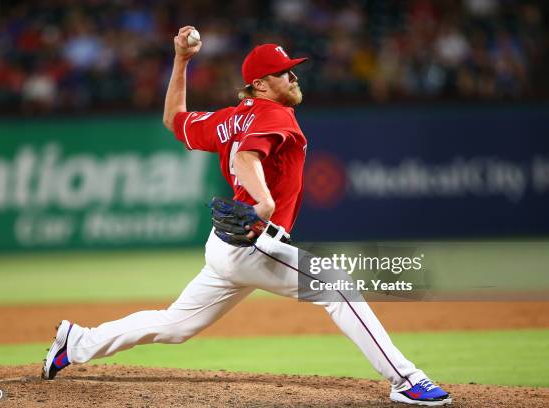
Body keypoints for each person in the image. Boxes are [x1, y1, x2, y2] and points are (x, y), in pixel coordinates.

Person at [42, 26, 452, 406]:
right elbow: (249, 156)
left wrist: (181, 61)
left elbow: (173, 120)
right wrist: (265, 202)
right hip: (253, 242)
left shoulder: (229, 118)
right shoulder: (272, 114)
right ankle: (407, 381)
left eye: (292, 71)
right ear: (260, 84)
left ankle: (75, 342)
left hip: (227, 246)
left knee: (175, 326)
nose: (293, 78)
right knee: (336, 285)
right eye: (283, 74)